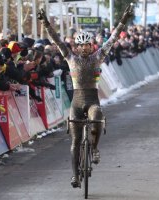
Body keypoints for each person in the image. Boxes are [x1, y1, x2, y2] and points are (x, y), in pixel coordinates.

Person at [38, 4, 134, 188]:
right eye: (81, 45)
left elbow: (113, 39)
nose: (84, 48)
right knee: (75, 141)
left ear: (91, 46)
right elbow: (57, 40)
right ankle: (75, 176)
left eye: (87, 45)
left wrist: (123, 20)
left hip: (92, 100)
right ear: (77, 46)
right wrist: (45, 23)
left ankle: (95, 148)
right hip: (77, 101)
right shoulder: (70, 57)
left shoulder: (98, 56)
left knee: (97, 117)